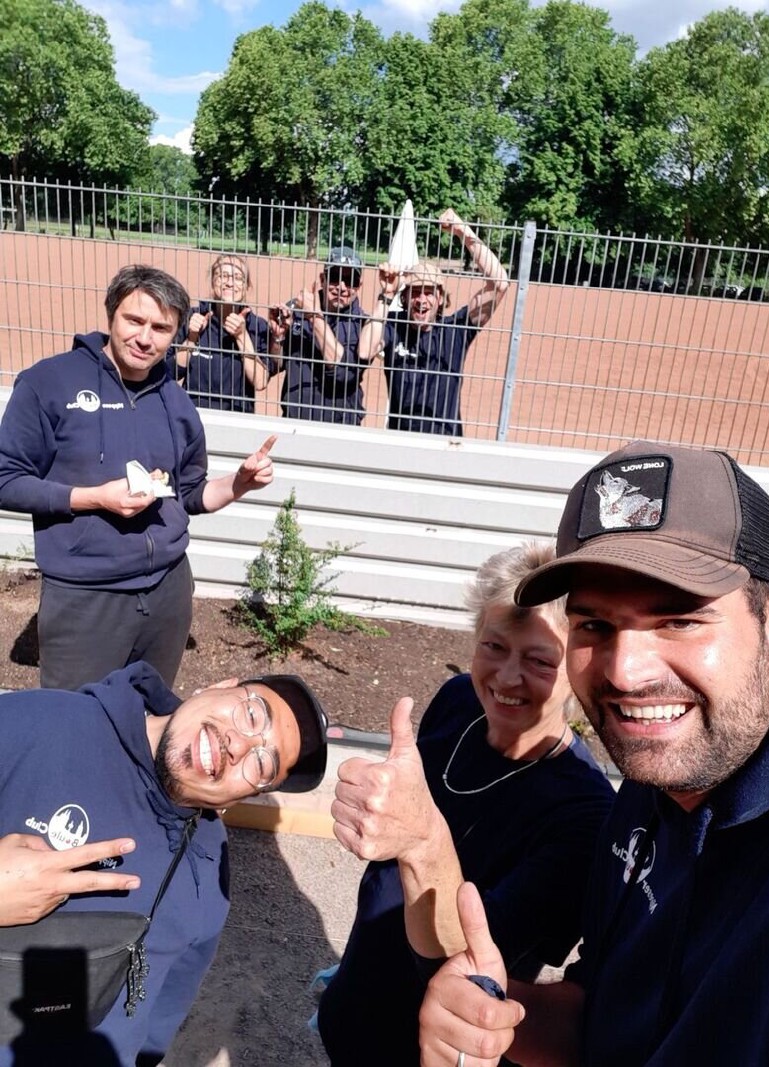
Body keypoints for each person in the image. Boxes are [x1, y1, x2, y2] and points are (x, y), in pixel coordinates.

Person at [418, 440, 769, 1067]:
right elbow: (597, 1014)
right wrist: (495, 1017)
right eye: (595, 625)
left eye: (679, 620)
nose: (625, 672)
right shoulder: (652, 784)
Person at [318, 543, 614, 1066]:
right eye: (494, 646)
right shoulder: (458, 701)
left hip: (435, 1045)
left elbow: (480, 960)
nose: (506, 678)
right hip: (358, 999)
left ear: (576, 669)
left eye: (539, 661)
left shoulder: (585, 817)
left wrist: (420, 838)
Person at [0, 662, 327, 1066]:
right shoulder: (38, 723)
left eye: (262, 764)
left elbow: (163, 1014)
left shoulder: (207, 872)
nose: (239, 745)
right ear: (219, 684)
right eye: (252, 714)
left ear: (243, 796)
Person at [0, 264, 277, 690]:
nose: (146, 339)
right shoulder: (49, 384)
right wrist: (95, 498)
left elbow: (189, 494)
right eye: (134, 321)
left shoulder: (175, 400)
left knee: (151, 717)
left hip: (168, 591)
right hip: (85, 596)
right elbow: (6, 479)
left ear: (176, 332)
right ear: (111, 314)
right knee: (77, 720)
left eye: (161, 328)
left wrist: (239, 483)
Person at [359, 208, 510, 435]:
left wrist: (462, 231)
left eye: (429, 292)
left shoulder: (455, 330)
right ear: (405, 297)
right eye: (415, 292)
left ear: (440, 299)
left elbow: (500, 283)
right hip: (400, 438)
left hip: (445, 440)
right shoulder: (393, 325)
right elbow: (364, 351)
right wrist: (386, 295)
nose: (422, 300)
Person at [267, 247, 371, 424]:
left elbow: (343, 373)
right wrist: (278, 338)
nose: (342, 287)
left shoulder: (363, 325)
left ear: (359, 286)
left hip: (340, 425)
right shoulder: (296, 310)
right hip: (295, 421)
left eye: (350, 280)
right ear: (323, 279)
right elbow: (276, 365)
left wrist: (314, 316)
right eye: (335, 277)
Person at [167, 253, 275, 413]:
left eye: (238, 278)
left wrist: (242, 336)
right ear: (212, 282)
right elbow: (171, 372)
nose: (230, 283)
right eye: (223, 276)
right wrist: (191, 339)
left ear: (247, 286)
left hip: (237, 417)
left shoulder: (257, 326)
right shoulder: (193, 317)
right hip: (193, 414)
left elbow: (260, 382)